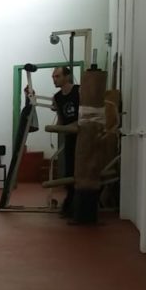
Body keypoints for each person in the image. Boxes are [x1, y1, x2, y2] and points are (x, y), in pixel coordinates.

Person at [51, 65, 79, 217]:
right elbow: (61, 120)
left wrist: (75, 125)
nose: (54, 80)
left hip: (83, 136)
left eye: (57, 76)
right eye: (53, 77)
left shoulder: (79, 91)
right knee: (69, 171)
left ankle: (79, 203)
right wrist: (54, 128)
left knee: (82, 169)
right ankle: (70, 203)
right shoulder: (57, 98)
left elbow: (86, 115)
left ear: (67, 76)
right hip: (69, 137)